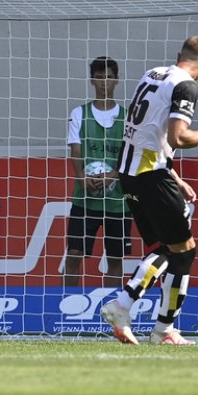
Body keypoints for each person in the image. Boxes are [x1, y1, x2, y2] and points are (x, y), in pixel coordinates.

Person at [100, 36, 198, 345]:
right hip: (151, 177)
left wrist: (175, 177)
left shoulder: (152, 74)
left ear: (178, 55)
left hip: (132, 174)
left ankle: (157, 326)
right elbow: (178, 138)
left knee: (169, 248)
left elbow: (147, 134)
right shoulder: (186, 85)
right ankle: (136, 314)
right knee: (184, 251)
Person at [65, 57, 131, 287]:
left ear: (117, 80)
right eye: (100, 78)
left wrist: (112, 176)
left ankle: (113, 306)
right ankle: (66, 302)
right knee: (74, 254)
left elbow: (130, 154)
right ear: (92, 80)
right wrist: (82, 177)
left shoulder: (128, 117)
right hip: (85, 198)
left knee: (115, 259)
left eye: (109, 78)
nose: (105, 82)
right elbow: (75, 149)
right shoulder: (79, 113)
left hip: (118, 201)